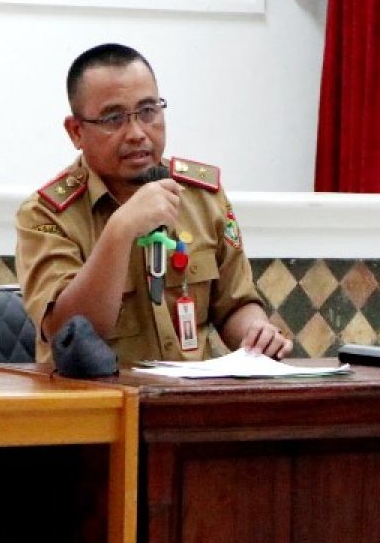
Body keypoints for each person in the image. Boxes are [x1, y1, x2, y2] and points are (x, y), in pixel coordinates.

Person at [15, 43, 293, 364]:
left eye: (148, 112)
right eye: (114, 118)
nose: (136, 133)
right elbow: (70, 332)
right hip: (98, 405)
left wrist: (256, 332)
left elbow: (234, 305)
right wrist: (121, 228)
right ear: (76, 131)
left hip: (188, 403)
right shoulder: (46, 214)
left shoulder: (202, 196)